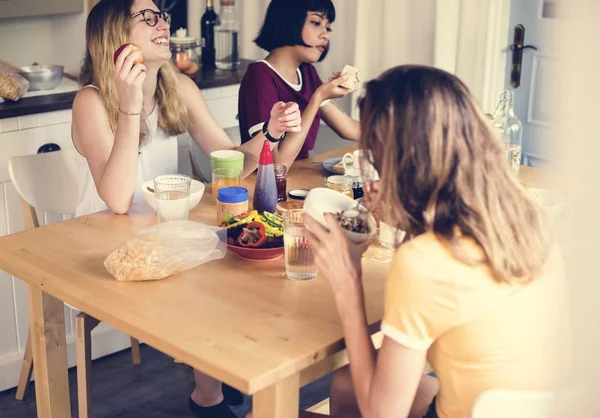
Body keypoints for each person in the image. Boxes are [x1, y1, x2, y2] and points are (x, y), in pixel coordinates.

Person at [71, 1, 301, 416]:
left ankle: (223, 371)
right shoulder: (90, 101)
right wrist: (129, 105)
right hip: (107, 249)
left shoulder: (178, 88)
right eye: (149, 17)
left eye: (163, 14)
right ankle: (207, 393)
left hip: (161, 230)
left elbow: (231, 160)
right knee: (213, 274)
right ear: (114, 35)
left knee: (245, 256)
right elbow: (118, 200)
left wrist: (270, 130)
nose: (164, 22)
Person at [302, 65, 565, 417]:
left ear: (403, 165)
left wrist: (347, 283)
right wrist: (404, 212)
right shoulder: (524, 211)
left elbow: (383, 413)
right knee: (346, 383)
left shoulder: (425, 261)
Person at [238, 0, 361, 169]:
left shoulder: (307, 72)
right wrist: (318, 97)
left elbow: (350, 129)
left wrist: (401, 128)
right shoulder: (260, 76)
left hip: (297, 177)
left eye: (328, 27)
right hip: (264, 187)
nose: (326, 35)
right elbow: (277, 165)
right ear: (288, 21)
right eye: (316, 23)